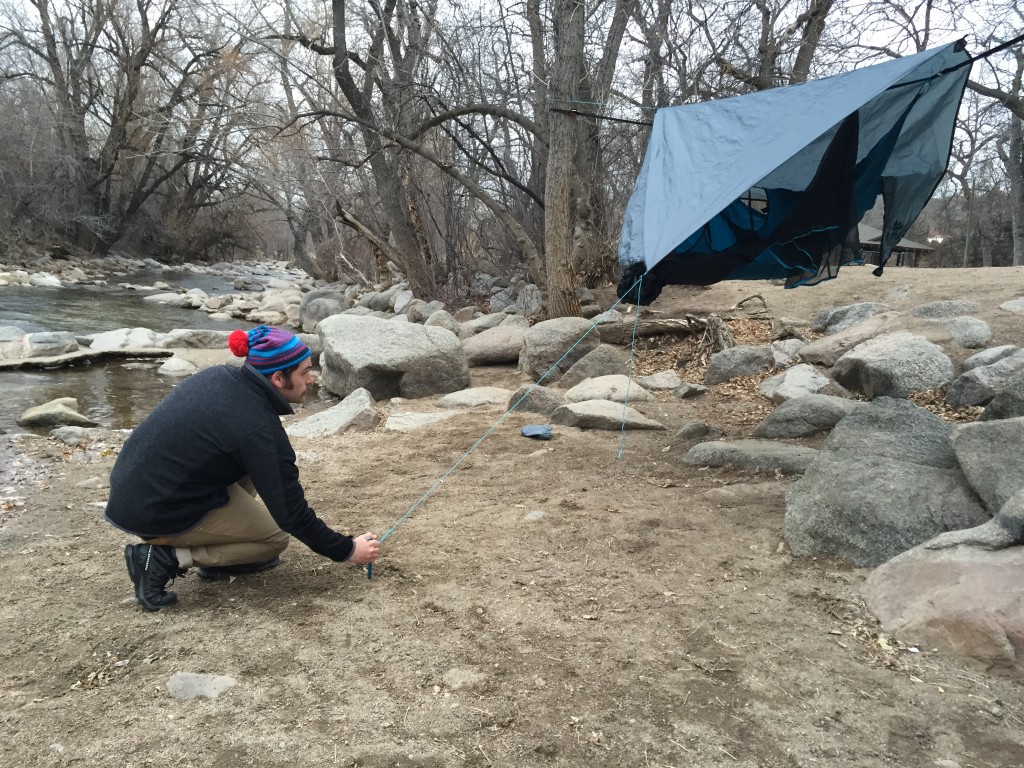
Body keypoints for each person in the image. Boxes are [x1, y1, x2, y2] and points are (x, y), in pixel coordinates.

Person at [105, 324, 380, 611]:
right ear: (277, 378)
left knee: (251, 464)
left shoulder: (220, 376)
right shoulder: (257, 427)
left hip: (134, 489)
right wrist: (347, 549)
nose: (311, 380)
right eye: (303, 373)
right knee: (274, 539)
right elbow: (292, 515)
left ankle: (225, 558)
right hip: (154, 512)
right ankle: (163, 558)